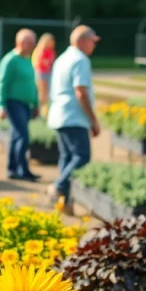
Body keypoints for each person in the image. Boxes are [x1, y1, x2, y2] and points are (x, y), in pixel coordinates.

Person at [47, 25, 101, 211]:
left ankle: (66, 202)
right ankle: (58, 187)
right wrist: (93, 119)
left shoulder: (62, 58)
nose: (94, 45)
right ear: (83, 41)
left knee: (67, 157)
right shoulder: (80, 60)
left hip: (59, 114)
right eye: (93, 41)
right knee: (82, 156)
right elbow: (81, 92)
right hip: (73, 116)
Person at [0, 29, 40, 181]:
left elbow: (32, 84)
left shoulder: (27, 59)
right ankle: (22, 170)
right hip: (14, 102)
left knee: (17, 137)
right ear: (21, 43)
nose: (34, 46)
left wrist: (36, 103)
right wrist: (0, 105)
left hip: (26, 104)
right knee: (23, 136)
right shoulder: (10, 60)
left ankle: (13, 168)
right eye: (31, 43)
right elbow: (1, 84)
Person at [32, 33, 56, 114]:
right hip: (41, 73)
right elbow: (37, 62)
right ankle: (39, 111)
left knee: (47, 94)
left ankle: (45, 111)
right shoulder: (40, 51)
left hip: (48, 73)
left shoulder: (51, 51)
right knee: (42, 93)